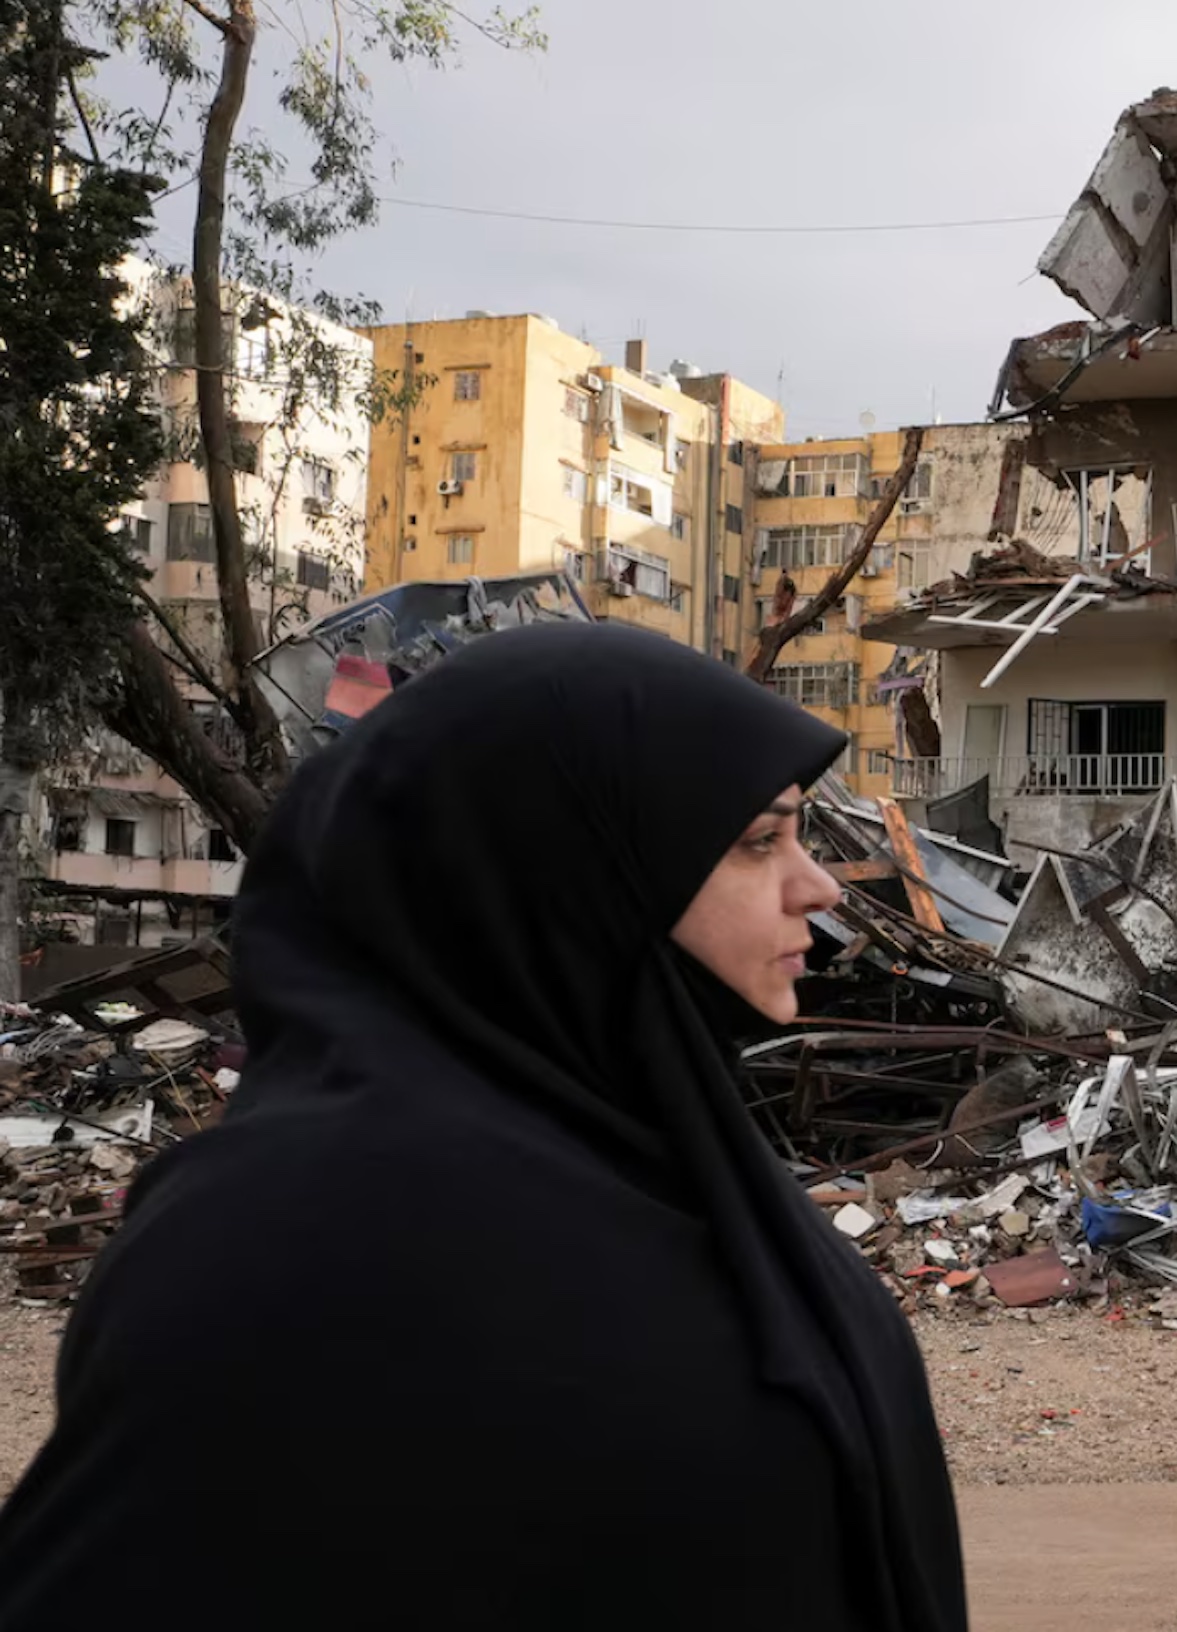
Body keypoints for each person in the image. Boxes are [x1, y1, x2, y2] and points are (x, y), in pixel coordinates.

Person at [0, 623, 966, 1630]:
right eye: (759, 840)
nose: (815, 885)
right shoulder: (276, 1247)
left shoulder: (692, 1172)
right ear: (567, 868)